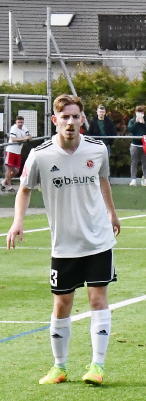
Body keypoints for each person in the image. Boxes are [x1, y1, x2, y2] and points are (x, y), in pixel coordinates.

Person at [5, 94, 120, 386]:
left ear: (83, 119)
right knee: (62, 304)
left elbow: (103, 180)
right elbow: (24, 189)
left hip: (97, 239)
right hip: (64, 243)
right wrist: (18, 221)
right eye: (64, 117)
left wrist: (111, 213)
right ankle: (59, 367)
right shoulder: (40, 155)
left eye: (75, 116)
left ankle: (97, 366)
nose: (70, 122)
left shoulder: (97, 150)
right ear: (55, 120)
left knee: (97, 298)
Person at [127, 105, 146, 186]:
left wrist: (144, 123)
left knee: (145, 163)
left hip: (145, 145)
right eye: (138, 112)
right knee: (134, 163)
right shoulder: (132, 120)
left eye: (141, 113)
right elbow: (130, 130)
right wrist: (136, 122)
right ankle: (133, 180)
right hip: (135, 145)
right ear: (135, 113)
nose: (140, 114)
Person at [4, 115, 32, 191]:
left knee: (17, 170)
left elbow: (29, 136)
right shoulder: (13, 128)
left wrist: (28, 137)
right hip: (11, 151)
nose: (20, 123)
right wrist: (24, 138)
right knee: (9, 169)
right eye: (19, 122)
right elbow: (13, 139)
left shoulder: (24, 128)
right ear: (16, 122)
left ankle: (4, 182)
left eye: (21, 122)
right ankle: (9, 186)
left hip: (18, 152)